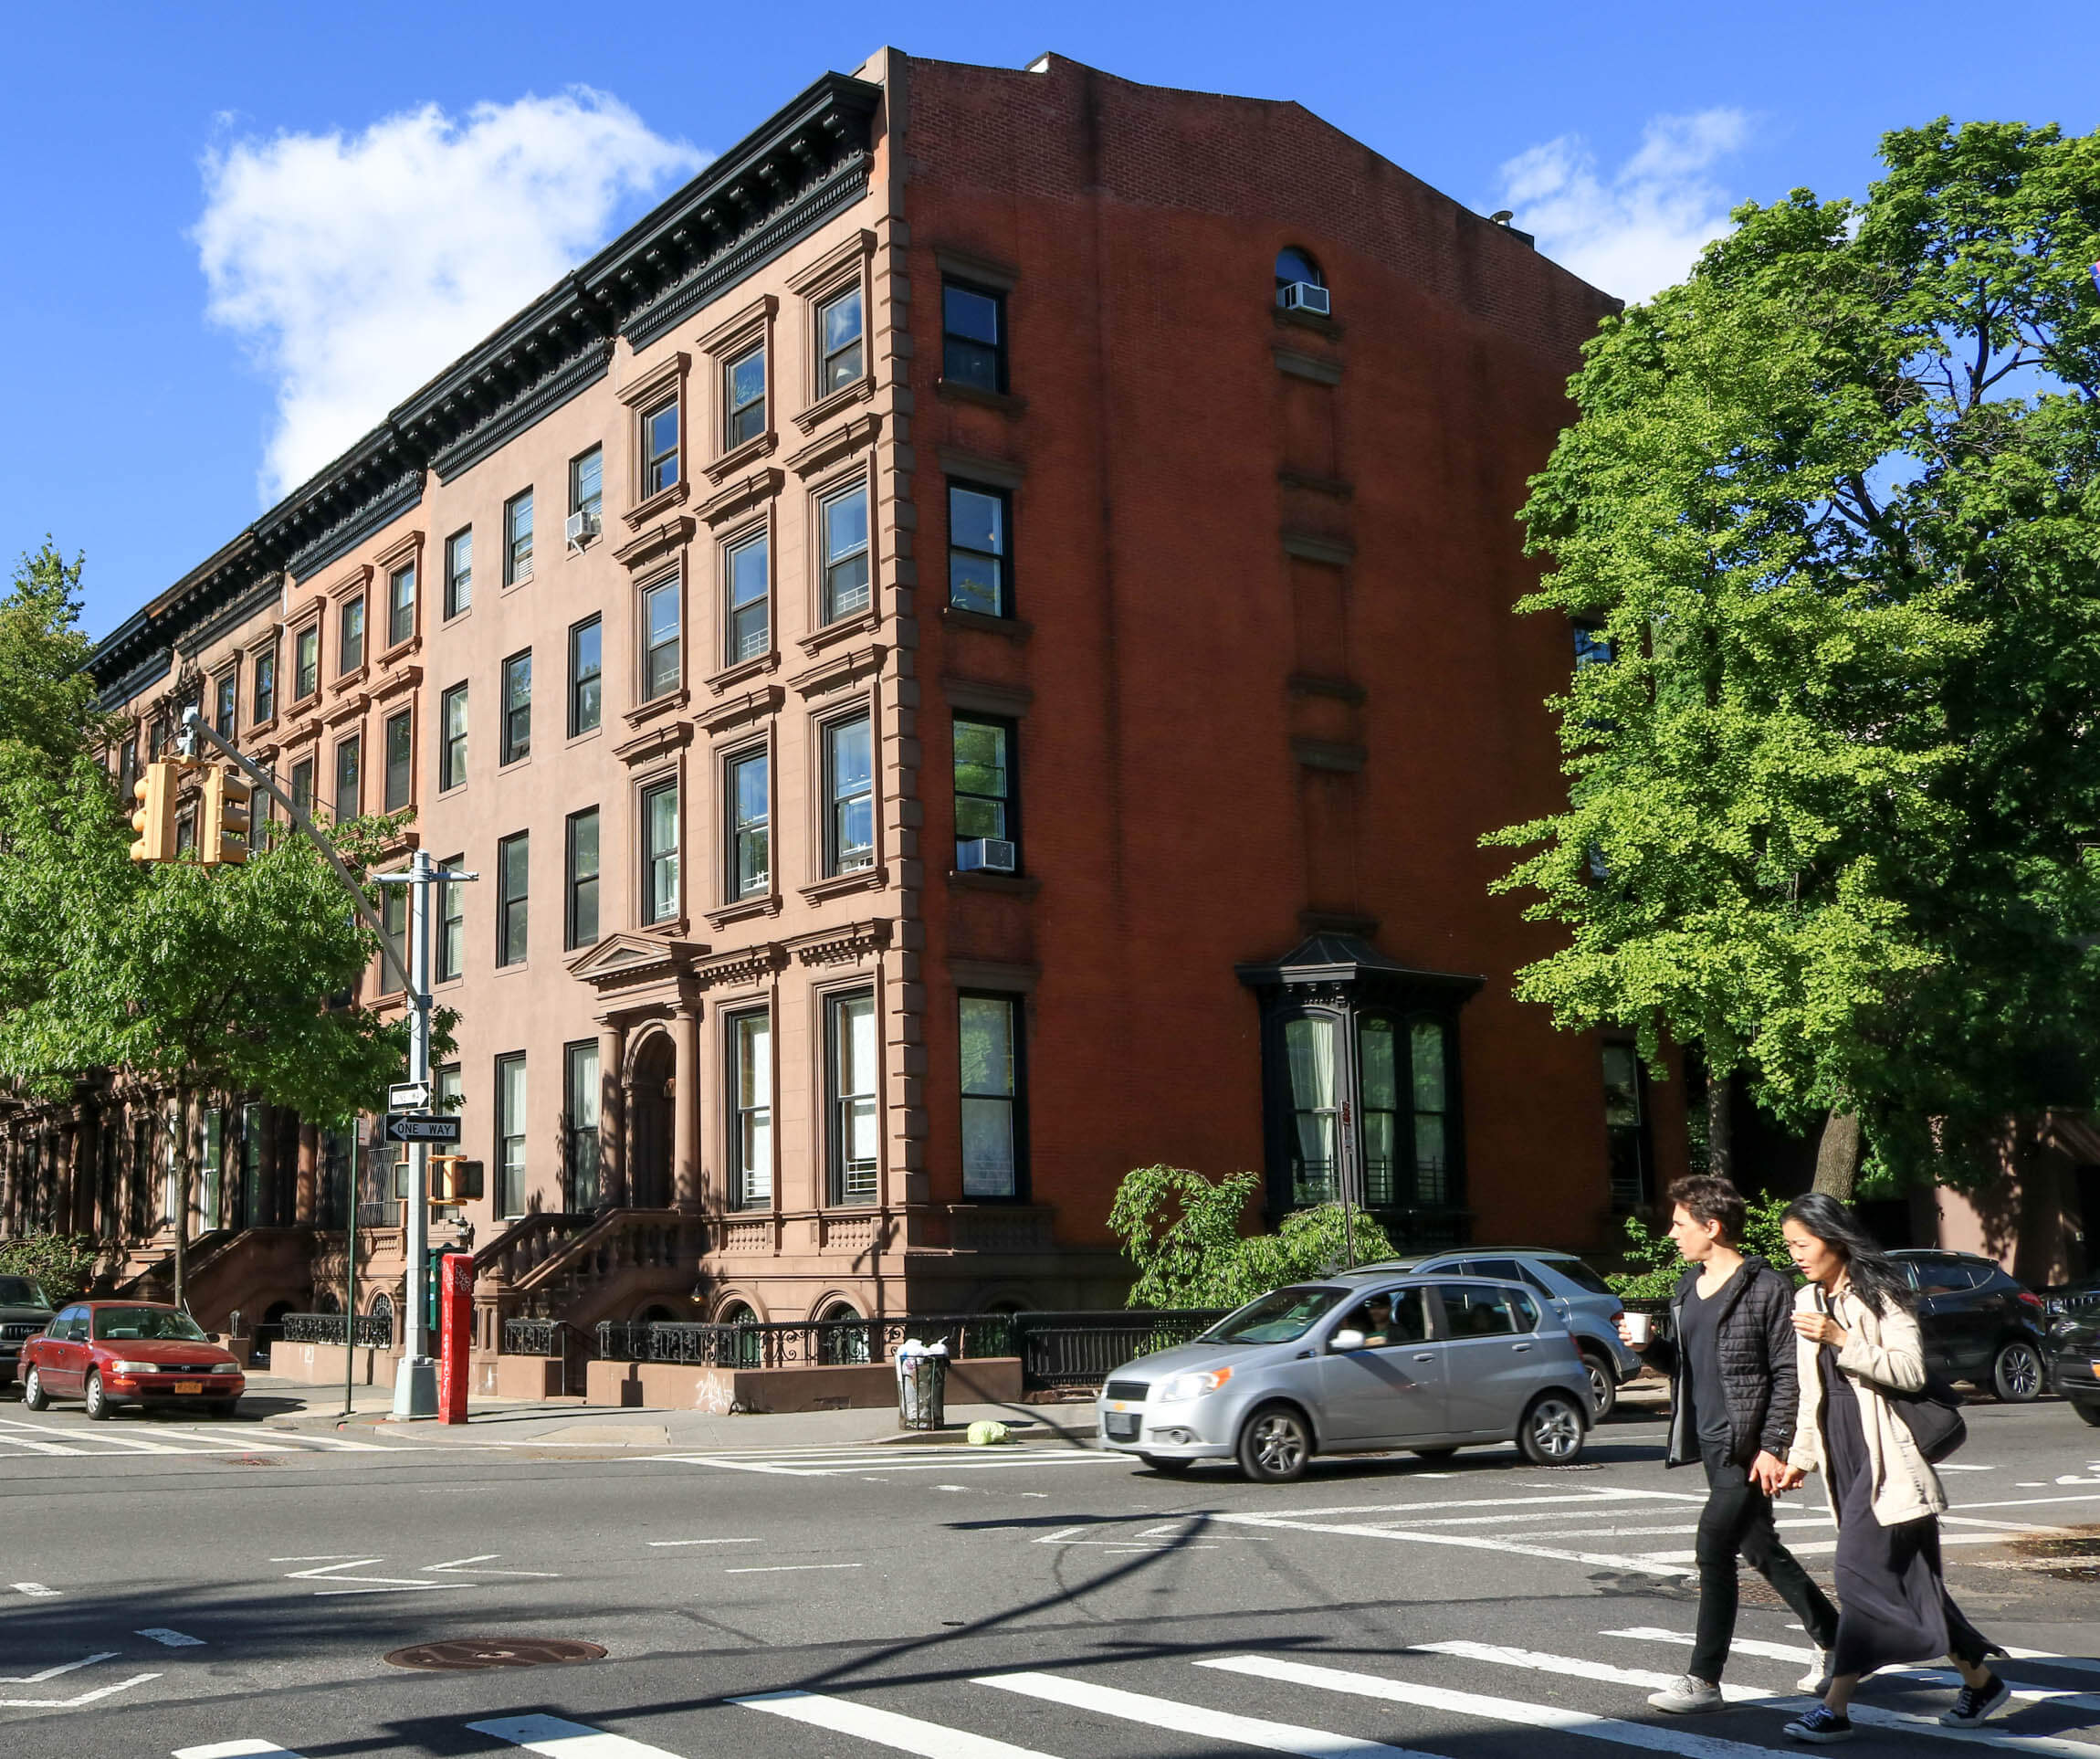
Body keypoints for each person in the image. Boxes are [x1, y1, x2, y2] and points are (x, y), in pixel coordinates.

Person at [1774, 1194, 2010, 1744]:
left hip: (1886, 1459)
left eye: (1802, 1245)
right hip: (1843, 1455)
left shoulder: (1879, 1296)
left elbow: (1908, 1370)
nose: (1796, 1256)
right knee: (1911, 1583)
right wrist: (1800, 1457)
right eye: (1790, 1246)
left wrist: (1842, 1339)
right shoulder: (1807, 1296)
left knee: (1857, 1575)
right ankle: (1980, 1679)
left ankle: (1835, 1705)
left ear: (1833, 1240)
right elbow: (1814, 1395)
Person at [1617, 1174, 1841, 1715]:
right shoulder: (1686, 1288)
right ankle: (1837, 1640)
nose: (1672, 1235)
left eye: (1679, 1224)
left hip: (1748, 1447)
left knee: (1713, 1547)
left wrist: (1774, 1446)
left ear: (1711, 1227)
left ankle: (1705, 1680)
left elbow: (1789, 1374)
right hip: (1712, 1442)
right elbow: (1687, 1369)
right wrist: (1651, 1348)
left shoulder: (1766, 1287)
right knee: (1758, 1547)